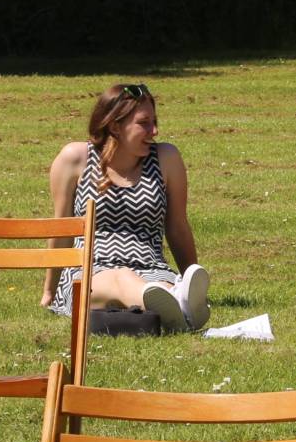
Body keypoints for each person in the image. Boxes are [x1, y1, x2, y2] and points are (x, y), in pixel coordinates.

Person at [43, 83, 210, 333]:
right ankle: (178, 306)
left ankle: (178, 299)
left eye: (155, 121)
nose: (154, 131)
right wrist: (49, 291)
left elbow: (177, 227)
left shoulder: (166, 158)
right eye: (143, 123)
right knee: (120, 277)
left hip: (152, 270)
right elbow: (62, 232)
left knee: (154, 288)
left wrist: (191, 279)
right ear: (115, 125)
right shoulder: (75, 159)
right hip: (89, 273)